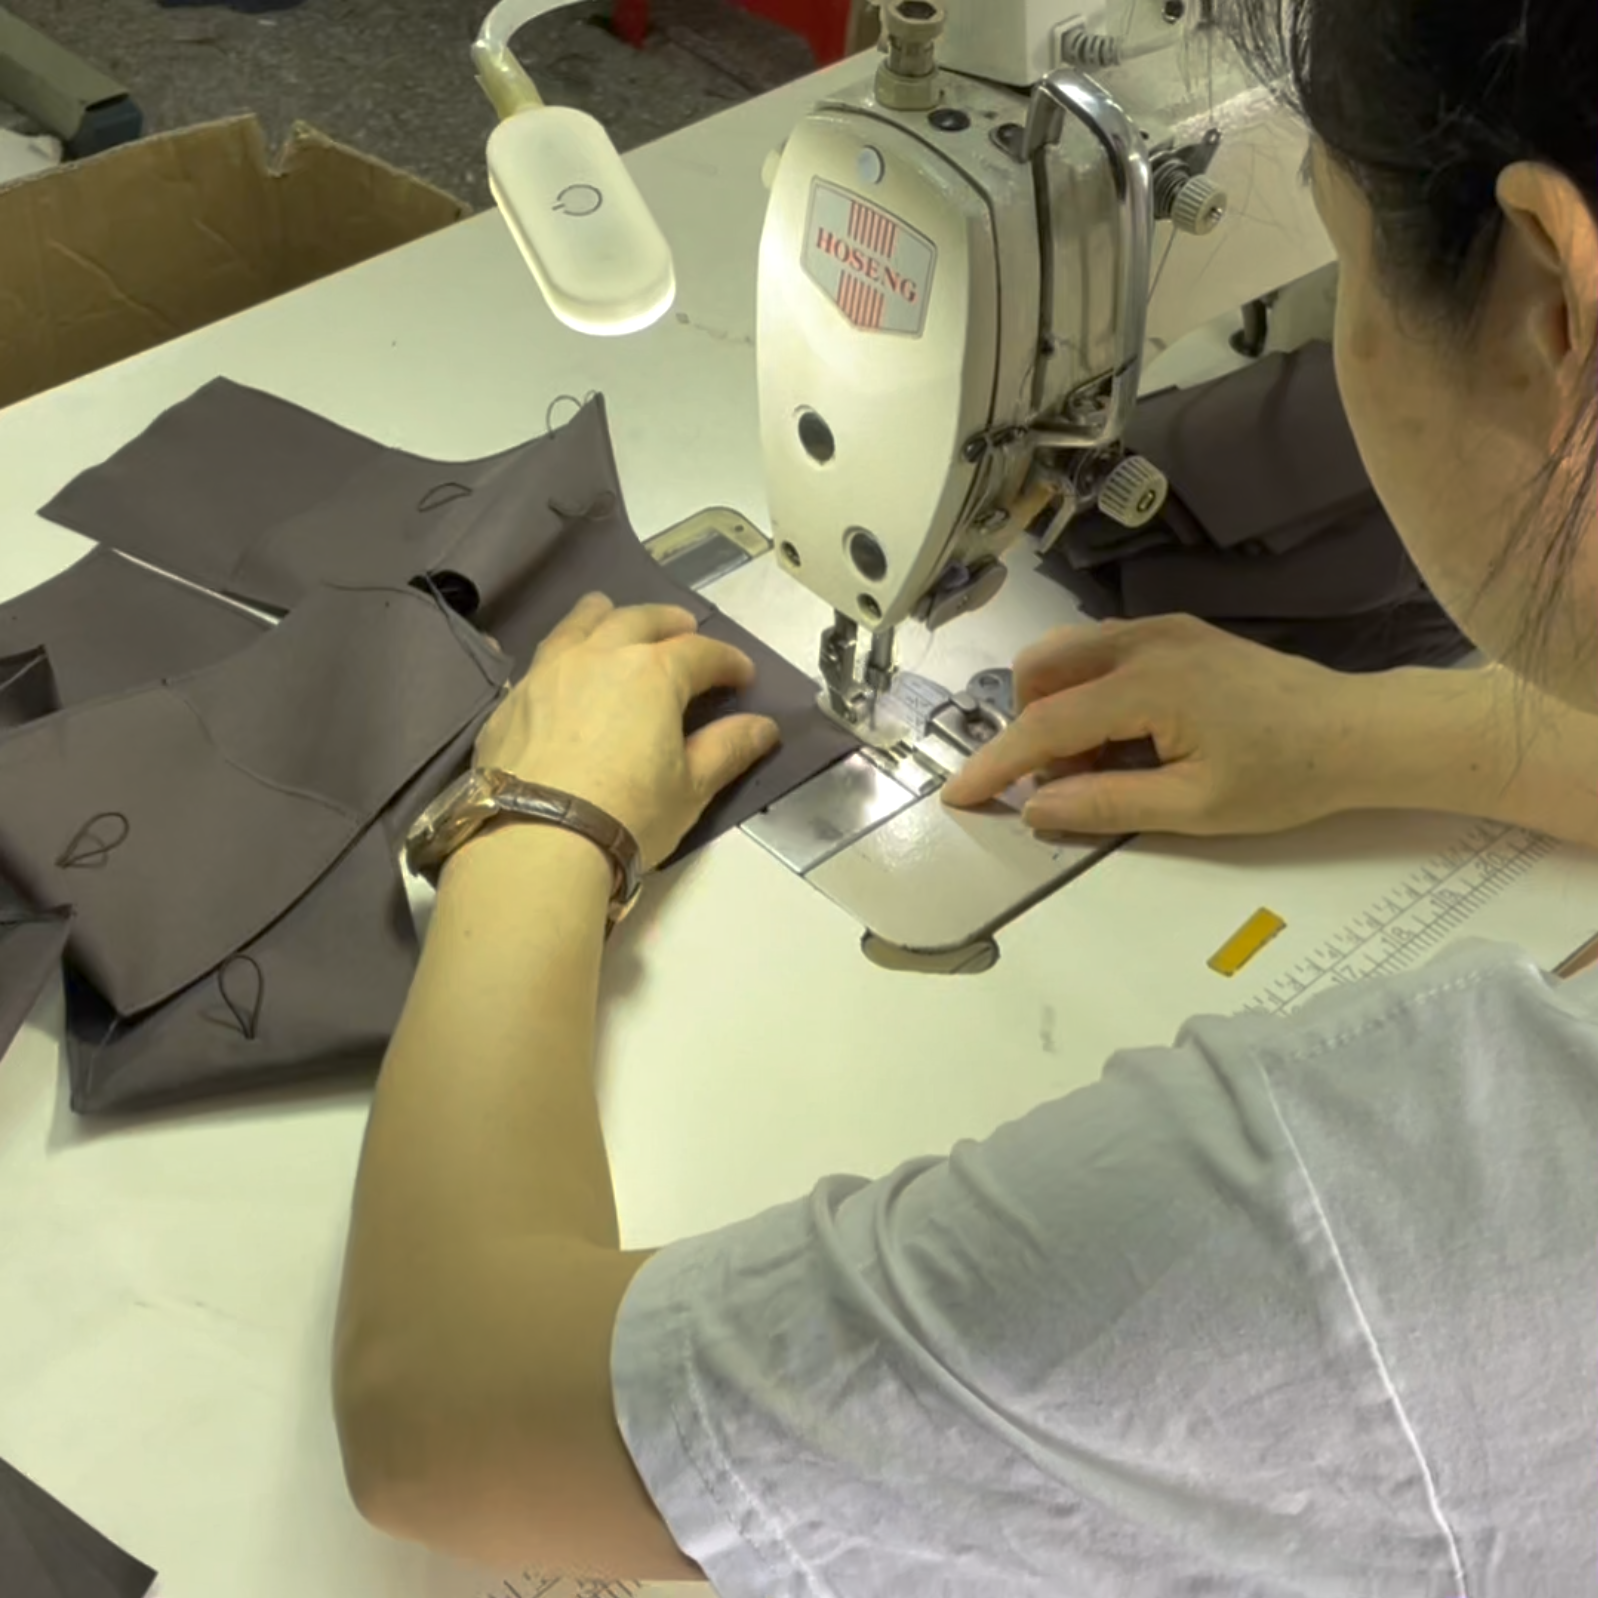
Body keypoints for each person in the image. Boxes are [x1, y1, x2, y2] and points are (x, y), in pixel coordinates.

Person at [332, 0, 1598, 1590]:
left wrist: (538, 822)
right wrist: (1383, 731)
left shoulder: (1388, 1216)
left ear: (1550, 306)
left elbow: (442, 1411)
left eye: (1337, 254)